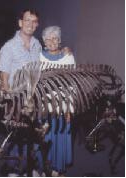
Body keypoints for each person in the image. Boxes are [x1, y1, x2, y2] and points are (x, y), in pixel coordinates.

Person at [0, 9, 42, 176]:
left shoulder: (37, 45)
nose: (30, 24)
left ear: (37, 25)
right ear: (20, 23)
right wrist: (9, 101)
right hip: (16, 99)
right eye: (27, 20)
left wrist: (64, 51)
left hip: (34, 99)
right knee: (16, 136)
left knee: (35, 134)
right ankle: (14, 169)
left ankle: (33, 167)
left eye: (34, 21)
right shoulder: (9, 47)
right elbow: (4, 75)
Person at [39, 25, 76, 175]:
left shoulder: (69, 57)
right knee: (44, 137)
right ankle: (43, 167)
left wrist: (70, 110)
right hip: (43, 105)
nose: (52, 41)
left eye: (55, 38)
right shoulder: (38, 56)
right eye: (48, 38)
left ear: (59, 40)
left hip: (62, 105)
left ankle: (57, 169)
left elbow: (73, 85)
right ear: (44, 41)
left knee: (60, 136)